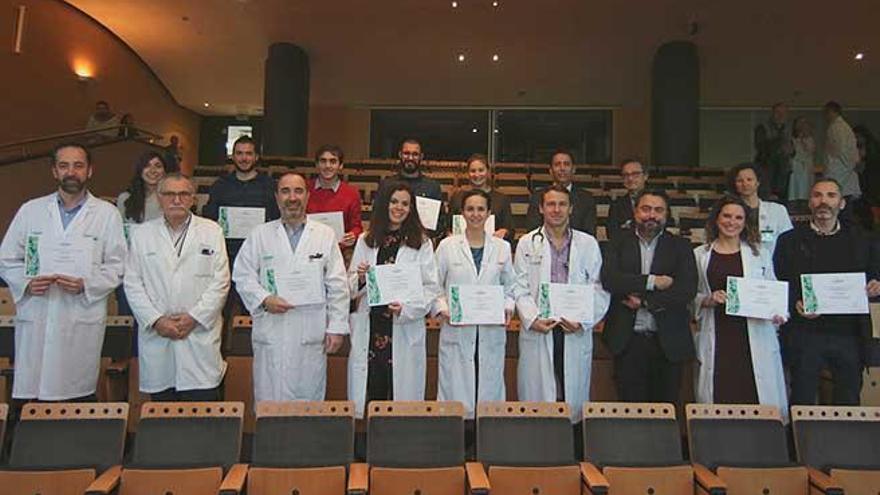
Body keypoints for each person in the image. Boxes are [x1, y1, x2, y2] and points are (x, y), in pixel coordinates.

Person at [0, 142, 126, 401]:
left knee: (76, 397)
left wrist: (86, 285)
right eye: (64, 165)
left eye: (78, 165)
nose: (71, 172)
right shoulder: (30, 210)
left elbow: (117, 265)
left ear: (90, 171)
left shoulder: (107, 214)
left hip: (80, 314)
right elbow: (7, 258)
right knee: (31, 400)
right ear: (54, 172)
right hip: (38, 311)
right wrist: (25, 284)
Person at [233, 173, 349, 402]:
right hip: (272, 330)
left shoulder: (325, 235)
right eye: (285, 191)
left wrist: (336, 326)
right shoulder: (260, 235)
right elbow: (242, 276)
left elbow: (337, 283)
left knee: (307, 404)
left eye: (298, 191)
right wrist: (264, 298)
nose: (292, 197)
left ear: (307, 196)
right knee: (270, 404)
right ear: (277, 197)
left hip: (310, 330)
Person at [124, 173, 230, 401]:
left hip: (199, 335)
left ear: (193, 199)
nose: (176, 200)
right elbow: (132, 284)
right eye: (169, 194)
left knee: (203, 412)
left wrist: (195, 317)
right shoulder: (142, 234)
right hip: (158, 335)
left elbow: (220, 282)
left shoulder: (212, 231)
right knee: (162, 413)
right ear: (159, 198)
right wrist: (156, 320)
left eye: (183, 194)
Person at [774, 179, 880, 405]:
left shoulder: (863, 240)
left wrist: (876, 285)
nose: (824, 201)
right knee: (802, 398)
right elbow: (779, 281)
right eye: (818, 195)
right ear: (810, 203)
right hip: (805, 332)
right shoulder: (788, 241)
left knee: (849, 399)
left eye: (831, 196)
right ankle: (801, 441)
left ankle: (846, 441)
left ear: (841, 204)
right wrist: (795, 302)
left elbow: (875, 276)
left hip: (850, 333)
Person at [515, 185, 610, 423]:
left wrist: (584, 320)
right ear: (541, 208)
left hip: (573, 328)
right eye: (550, 204)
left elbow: (599, 287)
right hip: (540, 328)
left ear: (571, 209)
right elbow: (518, 287)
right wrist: (532, 318)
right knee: (539, 399)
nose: (556, 210)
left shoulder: (587, 244)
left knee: (571, 396)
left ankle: (572, 449)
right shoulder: (527, 243)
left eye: (562, 204)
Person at [347, 181, 440, 418]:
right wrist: (359, 278)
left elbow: (431, 287)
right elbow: (347, 285)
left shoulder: (421, 242)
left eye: (405, 204)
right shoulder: (366, 240)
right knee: (371, 390)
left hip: (402, 325)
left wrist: (407, 309)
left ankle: (400, 448)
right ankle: (367, 447)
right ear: (384, 204)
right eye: (394, 201)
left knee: (402, 397)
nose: (399, 208)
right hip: (372, 326)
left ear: (412, 209)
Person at [693, 196, 788, 418]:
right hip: (718, 332)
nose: (732, 222)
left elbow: (773, 289)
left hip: (753, 333)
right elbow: (691, 296)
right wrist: (707, 299)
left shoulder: (760, 254)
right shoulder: (700, 255)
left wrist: (778, 312)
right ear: (716, 219)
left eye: (738, 217)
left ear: (745, 222)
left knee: (756, 396)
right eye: (727, 216)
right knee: (719, 396)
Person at [601, 190, 697, 404]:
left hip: (668, 343)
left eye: (658, 210)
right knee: (630, 408)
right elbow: (611, 280)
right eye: (646, 209)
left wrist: (645, 302)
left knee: (665, 408)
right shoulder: (617, 242)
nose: (651, 215)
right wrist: (653, 281)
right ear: (636, 212)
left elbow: (686, 289)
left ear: (666, 215)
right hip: (627, 340)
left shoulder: (680, 246)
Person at [434, 189, 517, 418]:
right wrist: (444, 309)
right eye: (470, 209)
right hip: (457, 329)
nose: (475, 214)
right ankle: (457, 445)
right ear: (462, 213)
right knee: (456, 396)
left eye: (481, 209)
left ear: (489, 213)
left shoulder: (502, 248)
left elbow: (511, 286)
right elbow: (434, 286)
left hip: (490, 332)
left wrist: (508, 307)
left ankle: (485, 445)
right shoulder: (447, 246)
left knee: (488, 393)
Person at [202, 135, 279, 319]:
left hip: (259, 254)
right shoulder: (220, 186)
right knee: (222, 305)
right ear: (233, 156)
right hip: (227, 253)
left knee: (256, 306)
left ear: (256, 157)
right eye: (239, 153)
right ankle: (223, 347)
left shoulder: (269, 185)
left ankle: (253, 347)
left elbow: (277, 219)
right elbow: (210, 219)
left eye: (248, 154)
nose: (244, 158)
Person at [115, 151, 172, 316]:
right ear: (140, 170)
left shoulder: (172, 199)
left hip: (162, 266)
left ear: (165, 171)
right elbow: (121, 235)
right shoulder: (125, 199)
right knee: (129, 317)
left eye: (158, 166)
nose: (152, 170)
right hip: (132, 266)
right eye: (147, 165)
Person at [377, 139, 447, 242]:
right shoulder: (386, 185)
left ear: (421, 157)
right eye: (406, 153)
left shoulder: (432, 187)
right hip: (390, 241)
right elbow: (378, 215)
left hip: (421, 243)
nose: (410, 158)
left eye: (415, 154)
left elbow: (440, 222)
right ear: (400, 155)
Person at [727, 163, 792, 259]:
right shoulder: (729, 210)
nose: (745, 184)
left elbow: (788, 240)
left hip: (771, 261)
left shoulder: (777, 210)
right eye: (739, 181)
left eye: (749, 179)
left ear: (758, 182)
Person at [306, 144, 363, 250]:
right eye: (323, 161)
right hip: (308, 248)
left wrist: (353, 235)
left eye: (333, 161)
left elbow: (357, 227)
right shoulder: (305, 189)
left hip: (338, 250)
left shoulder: (352, 193)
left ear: (340, 166)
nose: (327, 166)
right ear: (317, 165)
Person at [525, 150, 597, 235]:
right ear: (550, 171)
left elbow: (589, 234)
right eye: (557, 164)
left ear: (573, 169)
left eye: (566, 164)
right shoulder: (537, 196)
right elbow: (532, 231)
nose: (562, 168)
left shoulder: (587, 199)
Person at [448, 154, 514, 240]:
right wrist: (449, 234)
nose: (477, 174)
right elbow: (448, 226)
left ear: (488, 171)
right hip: (460, 248)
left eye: (481, 170)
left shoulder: (501, 199)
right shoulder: (457, 198)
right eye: (473, 171)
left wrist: (504, 232)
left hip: (493, 248)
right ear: (468, 173)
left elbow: (510, 229)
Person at [823, 102, 861, 207]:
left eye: (826, 112)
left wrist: (849, 166)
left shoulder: (838, 128)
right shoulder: (840, 127)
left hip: (840, 171)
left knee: (841, 206)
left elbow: (842, 150)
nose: (825, 116)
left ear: (832, 112)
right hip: (841, 169)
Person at [754, 102, 793, 200]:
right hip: (767, 170)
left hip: (783, 171)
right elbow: (761, 147)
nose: (781, 116)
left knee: (782, 200)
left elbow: (791, 150)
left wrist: (790, 150)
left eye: (784, 113)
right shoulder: (763, 128)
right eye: (778, 113)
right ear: (772, 113)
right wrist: (779, 144)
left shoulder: (787, 129)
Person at [606, 158, 649, 240]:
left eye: (635, 174)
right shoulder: (616, 205)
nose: (630, 179)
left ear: (646, 176)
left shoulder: (658, 202)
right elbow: (612, 235)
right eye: (626, 175)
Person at [789, 117, 816, 202]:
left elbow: (811, 150)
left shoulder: (810, 139)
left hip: (806, 167)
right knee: (796, 189)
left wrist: (804, 139)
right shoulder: (792, 139)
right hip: (796, 166)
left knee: (806, 189)